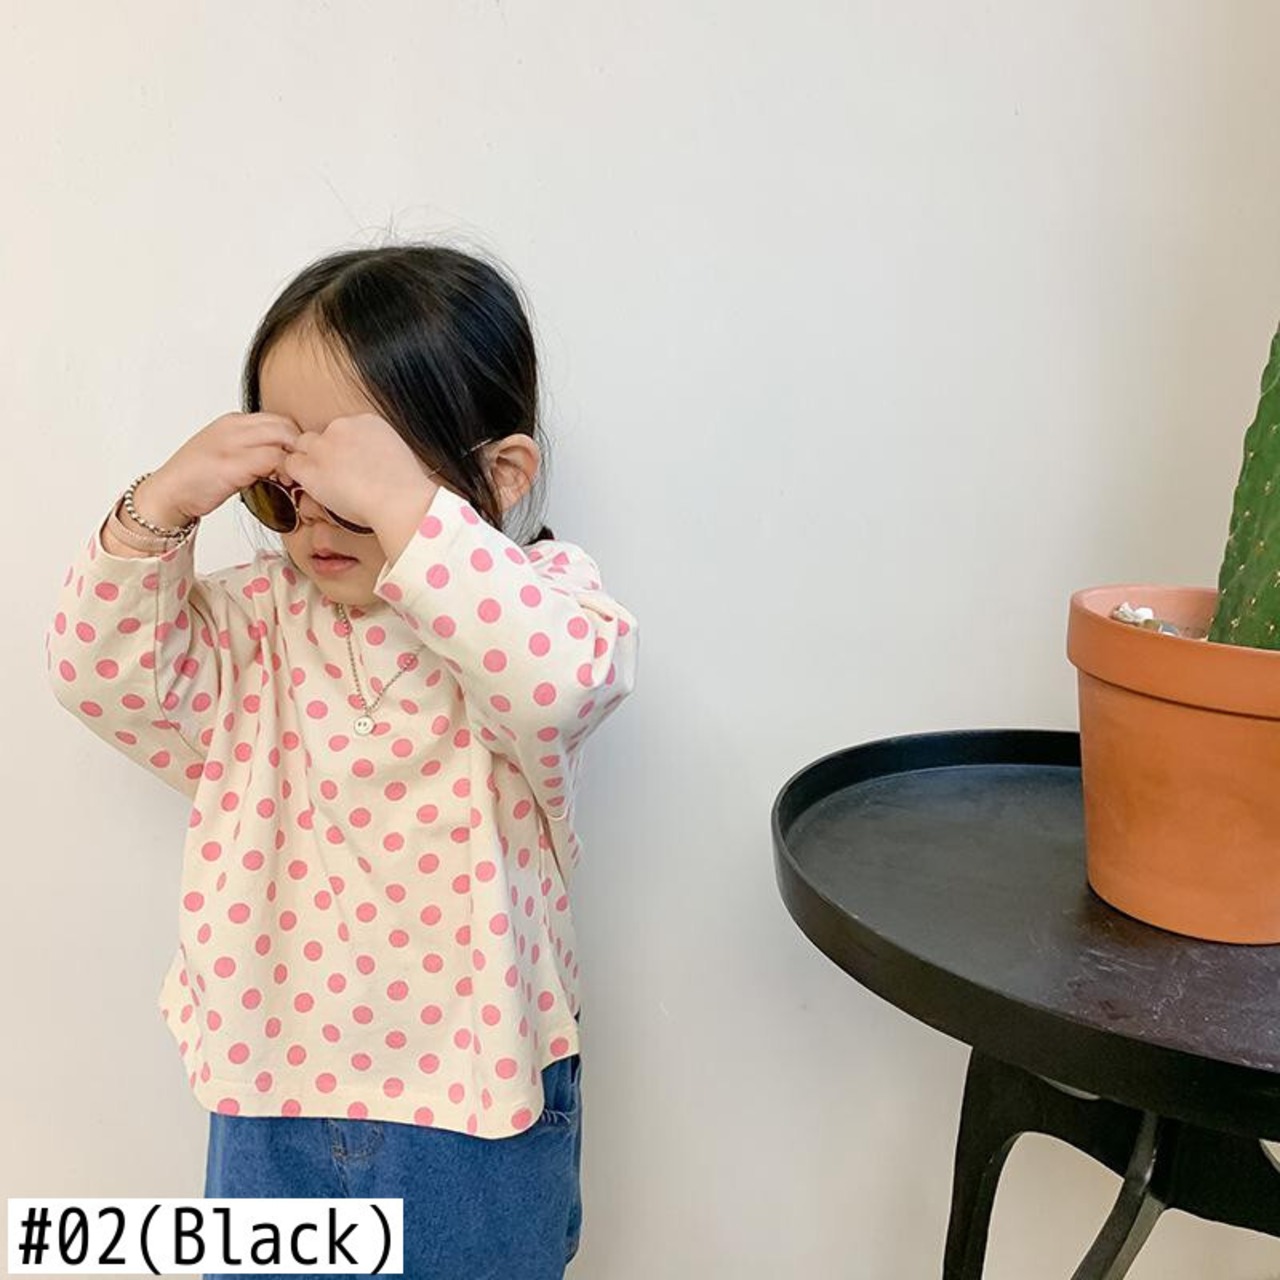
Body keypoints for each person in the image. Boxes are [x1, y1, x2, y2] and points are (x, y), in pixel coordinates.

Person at [44, 242, 640, 1279]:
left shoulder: (534, 603)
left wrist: (413, 520)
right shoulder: (255, 621)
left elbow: (560, 682)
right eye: (283, 489)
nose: (314, 515)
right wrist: (162, 503)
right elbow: (99, 672)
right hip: (268, 1081)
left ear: (500, 476)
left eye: (356, 481)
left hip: (478, 1100)